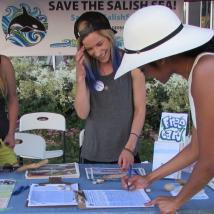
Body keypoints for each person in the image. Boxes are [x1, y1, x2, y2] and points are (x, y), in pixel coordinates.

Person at [116, 5, 214, 214]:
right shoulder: (198, 70)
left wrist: (176, 202)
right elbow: (196, 148)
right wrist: (148, 178)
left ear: (160, 58)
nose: (146, 75)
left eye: (143, 67)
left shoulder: (206, 70)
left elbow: (210, 159)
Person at [74, 11, 146, 169]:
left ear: (109, 36)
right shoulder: (86, 68)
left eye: (99, 44)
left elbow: (140, 109)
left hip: (126, 154)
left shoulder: (131, 63)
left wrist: (130, 147)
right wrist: (80, 78)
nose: (97, 53)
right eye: (90, 49)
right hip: (92, 154)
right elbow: (82, 113)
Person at [0, 55, 18, 165]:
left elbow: (13, 99)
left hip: (2, 141)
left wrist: (11, 133)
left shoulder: (3, 63)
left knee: (13, 179)